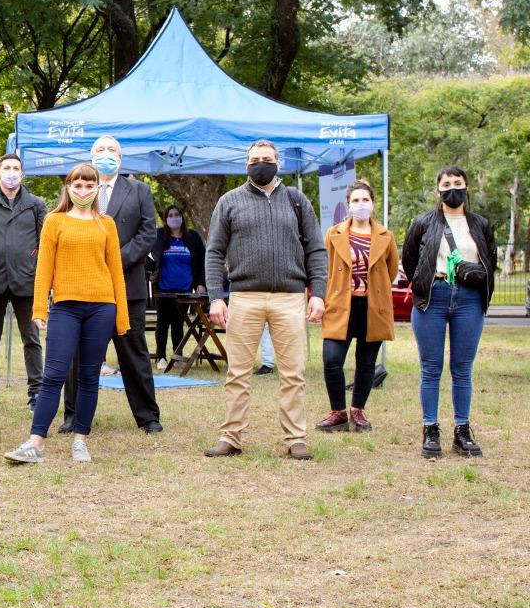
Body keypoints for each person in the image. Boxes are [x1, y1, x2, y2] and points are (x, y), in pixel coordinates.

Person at [203, 139, 327, 460]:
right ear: (246, 165)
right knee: (238, 373)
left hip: (290, 297)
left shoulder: (297, 201)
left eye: (268, 159)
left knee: (293, 373)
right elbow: (214, 252)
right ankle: (230, 437)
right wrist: (216, 297)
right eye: (255, 159)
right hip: (244, 297)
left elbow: (315, 249)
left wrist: (318, 294)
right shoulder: (229, 202)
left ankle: (296, 439)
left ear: (278, 164)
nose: (262, 164)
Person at [4, 164, 129, 464]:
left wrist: (122, 317)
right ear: (69, 188)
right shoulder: (54, 220)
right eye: (78, 185)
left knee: (89, 376)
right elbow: (44, 267)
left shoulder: (107, 224)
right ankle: (36, 443)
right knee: (54, 375)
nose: (83, 191)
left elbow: (116, 272)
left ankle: (80, 440)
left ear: (97, 189)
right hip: (65, 308)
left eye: (89, 186)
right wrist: (38, 307)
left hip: (102, 308)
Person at [60, 135, 160, 434]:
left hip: (127, 285)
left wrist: (114, 260)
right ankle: (73, 415)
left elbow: (147, 233)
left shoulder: (139, 190)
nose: (106, 154)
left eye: (112, 149)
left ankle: (148, 416)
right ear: (91, 157)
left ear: (121, 156)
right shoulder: (78, 190)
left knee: (133, 352)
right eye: (100, 149)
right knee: (79, 354)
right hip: (84, 287)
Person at [402, 166, 496, 459]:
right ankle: (430, 429)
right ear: (438, 190)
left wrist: (475, 275)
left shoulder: (480, 224)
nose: (452, 188)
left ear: (467, 188)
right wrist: (424, 282)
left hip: (469, 299)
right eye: (446, 184)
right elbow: (409, 260)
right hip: (433, 296)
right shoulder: (423, 223)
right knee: (431, 368)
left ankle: (462, 430)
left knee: (462, 368)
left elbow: (490, 259)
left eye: (457, 183)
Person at [316, 180, 398, 433]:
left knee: (366, 362)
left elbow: (391, 270)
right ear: (348, 205)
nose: (360, 205)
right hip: (340, 304)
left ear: (372, 203)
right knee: (332, 359)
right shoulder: (333, 234)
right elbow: (325, 268)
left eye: (365, 200)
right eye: (355, 200)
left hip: (373, 306)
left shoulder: (386, 236)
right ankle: (338, 413)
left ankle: (358, 411)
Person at [0, 154, 46, 411]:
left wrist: (37, 271)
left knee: (32, 338)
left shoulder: (36, 205)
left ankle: (36, 392)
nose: (11, 172)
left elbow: (44, 243)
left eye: (16, 168)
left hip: (27, 281)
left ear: (22, 173)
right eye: (6, 167)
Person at [150, 204, 206, 371]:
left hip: (184, 290)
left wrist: (201, 283)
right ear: (165, 219)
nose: (174, 217)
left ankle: (177, 356)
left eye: (177, 214)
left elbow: (202, 261)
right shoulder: (159, 236)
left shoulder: (193, 237)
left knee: (178, 323)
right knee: (163, 323)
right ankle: (161, 357)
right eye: (170, 215)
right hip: (163, 289)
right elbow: (150, 257)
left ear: (182, 217)